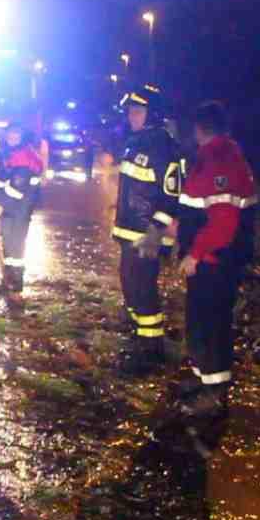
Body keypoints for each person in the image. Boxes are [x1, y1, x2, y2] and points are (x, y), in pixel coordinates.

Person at [172, 101, 257, 418]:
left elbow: (223, 222)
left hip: (215, 261)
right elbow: (202, 206)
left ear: (200, 128)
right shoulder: (218, 156)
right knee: (201, 319)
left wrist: (194, 253)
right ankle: (202, 378)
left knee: (211, 322)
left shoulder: (220, 160)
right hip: (211, 259)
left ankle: (214, 391)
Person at [111, 88, 182, 375]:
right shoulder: (136, 141)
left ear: (152, 114)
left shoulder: (163, 146)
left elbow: (171, 195)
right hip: (130, 232)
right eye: (130, 112)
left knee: (143, 288)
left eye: (138, 112)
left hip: (147, 235)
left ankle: (151, 350)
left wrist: (155, 231)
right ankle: (138, 334)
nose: (132, 117)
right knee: (129, 283)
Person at [0, 120, 43, 310]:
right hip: (12, 208)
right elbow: (2, 180)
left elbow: (17, 188)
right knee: (9, 246)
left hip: (19, 209)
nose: (12, 136)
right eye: (10, 133)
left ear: (23, 136)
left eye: (16, 134)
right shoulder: (11, 153)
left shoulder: (24, 156)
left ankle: (16, 289)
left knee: (16, 248)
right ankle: (8, 282)